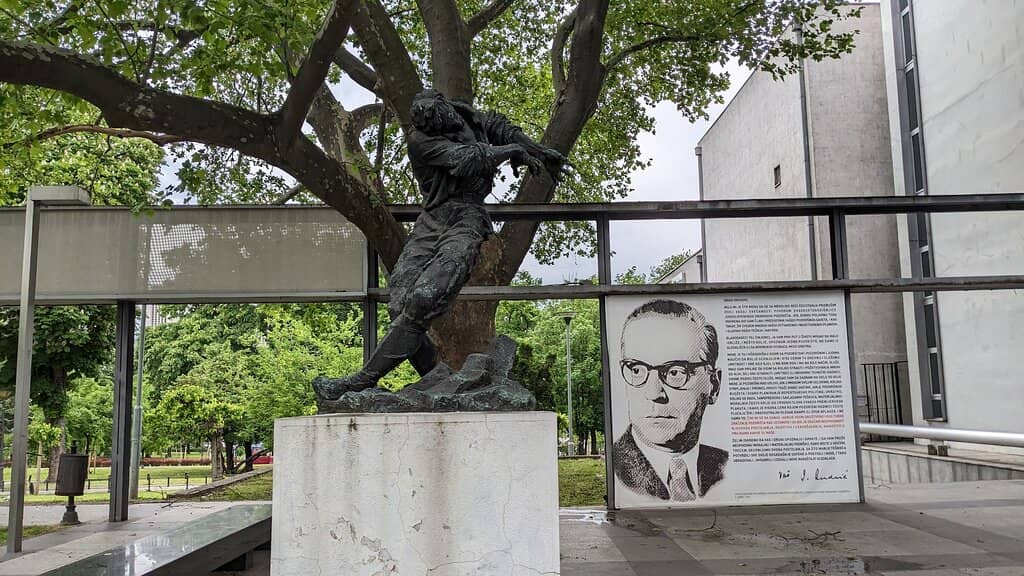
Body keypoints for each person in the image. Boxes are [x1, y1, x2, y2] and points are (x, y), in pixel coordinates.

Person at [314, 89, 569, 404]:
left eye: (442, 116)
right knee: (400, 302)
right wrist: (513, 150)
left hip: (467, 219)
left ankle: (360, 380)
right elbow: (469, 159)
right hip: (432, 220)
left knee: (423, 298)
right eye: (433, 124)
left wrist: (538, 150)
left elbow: (500, 126)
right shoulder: (420, 141)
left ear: (445, 105)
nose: (441, 124)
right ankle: (439, 378)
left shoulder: (463, 114)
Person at [613, 299, 729, 502]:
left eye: (676, 372)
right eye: (637, 370)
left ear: (714, 385)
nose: (654, 392)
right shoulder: (613, 467)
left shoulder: (725, 466)